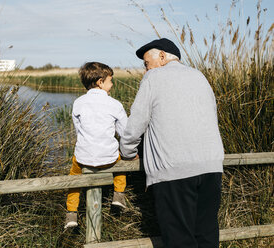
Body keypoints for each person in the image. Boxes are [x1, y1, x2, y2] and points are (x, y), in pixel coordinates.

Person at [120, 38, 224, 248]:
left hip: (174, 170)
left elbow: (137, 121)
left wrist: (128, 152)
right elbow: (212, 115)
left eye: (146, 64)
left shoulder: (154, 78)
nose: (145, 70)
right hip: (211, 167)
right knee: (206, 235)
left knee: (179, 240)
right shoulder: (199, 76)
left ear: (162, 56)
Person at [64, 62, 128, 229]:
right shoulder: (115, 104)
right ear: (100, 82)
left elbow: (79, 131)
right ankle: (119, 195)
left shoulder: (78, 103)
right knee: (121, 164)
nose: (112, 84)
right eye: (110, 81)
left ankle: (71, 213)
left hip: (83, 158)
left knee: (74, 179)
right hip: (109, 158)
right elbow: (124, 133)